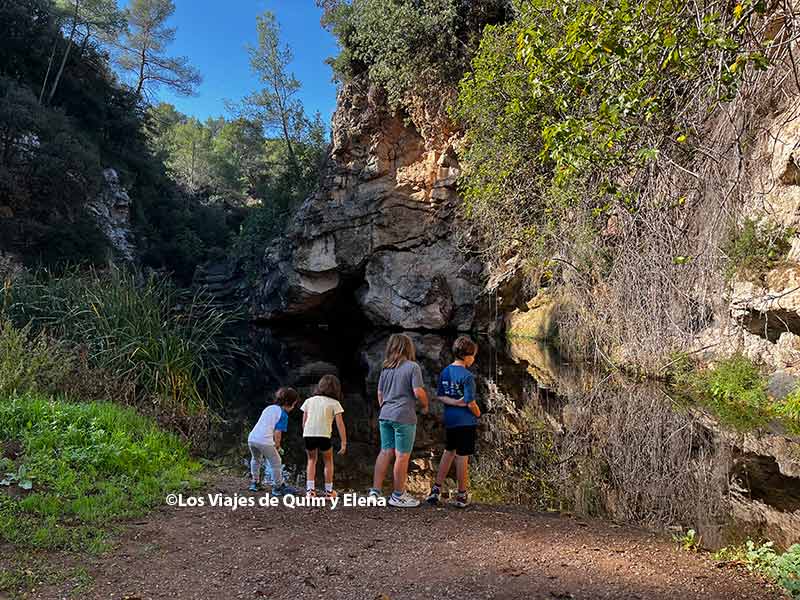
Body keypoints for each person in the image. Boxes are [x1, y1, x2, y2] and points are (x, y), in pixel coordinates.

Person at [369, 333, 429, 508]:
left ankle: (375, 492)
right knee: (402, 456)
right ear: (408, 348)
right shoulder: (412, 367)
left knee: (385, 451)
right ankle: (398, 495)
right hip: (403, 416)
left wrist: (386, 407)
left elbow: (380, 393)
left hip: (385, 414)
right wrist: (425, 405)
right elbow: (418, 392)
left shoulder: (386, 368)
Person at [426, 336, 481, 508]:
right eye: (473, 356)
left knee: (448, 451)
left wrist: (453, 402)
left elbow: (440, 396)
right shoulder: (467, 376)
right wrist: (478, 413)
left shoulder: (445, 372)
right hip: (465, 421)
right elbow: (470, 403)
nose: (473, 359)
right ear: (467, 356)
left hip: (450, 420)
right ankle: (462, 495)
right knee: (462, 457)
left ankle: (436, 489)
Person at [247, 387, 300, 495]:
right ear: (288, 403)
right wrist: (277, 445)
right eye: (294, 405)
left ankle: (255, 482)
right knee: (276, 462)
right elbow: (277, 432)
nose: (293, 408)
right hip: (264, 441)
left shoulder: (269, 408)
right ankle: (278, 486)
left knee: (256, 459)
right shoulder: (283, 415)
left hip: (252, 438)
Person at [301, 374, 347, 497]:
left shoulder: (309, 401)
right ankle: (328, 491)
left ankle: (310, 491)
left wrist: (305, 434)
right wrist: (343, 442)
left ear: (319, 386)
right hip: (324, 436)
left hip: (308, 434)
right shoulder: (335, 403)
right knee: (328, 461)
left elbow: (304, 421)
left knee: (311, 460)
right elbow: (340, 424)